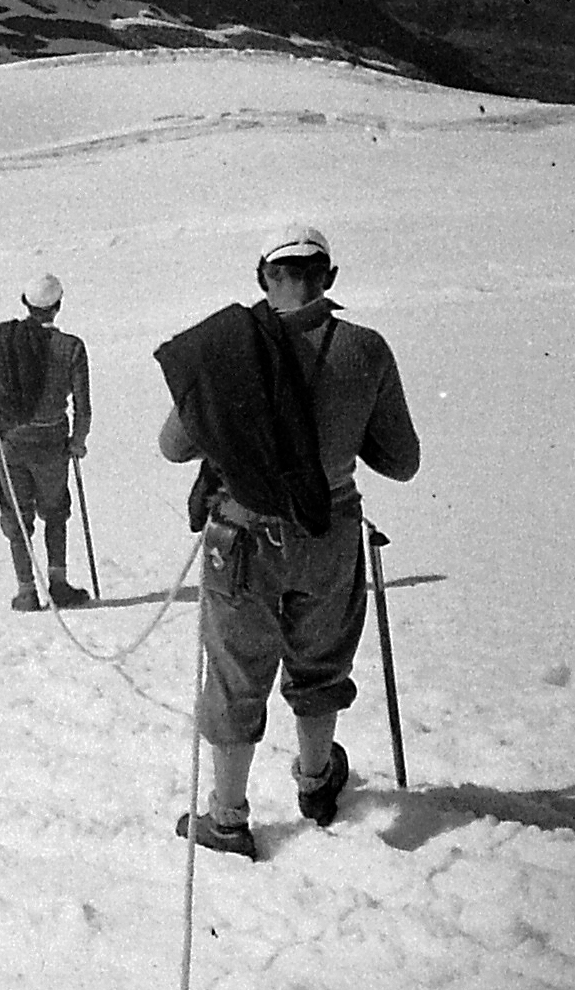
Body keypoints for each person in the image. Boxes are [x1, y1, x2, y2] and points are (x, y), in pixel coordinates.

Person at [154, 224, 421, 860]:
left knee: (235, 674)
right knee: (320, 660)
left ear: (262, 278)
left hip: (241, 539)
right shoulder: (365, 349)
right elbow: (402, 460)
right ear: (328, 276)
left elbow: (172, 446)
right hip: (329, 533)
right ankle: (315, 782)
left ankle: (227, 817)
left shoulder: (224, 352)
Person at [0, 273, 92, 612]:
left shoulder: (5, 345)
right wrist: (77, 442)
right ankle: (58, 583)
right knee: (56, 512)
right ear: (58, 305)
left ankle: (26, 591)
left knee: (15, 516)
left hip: (10, 445)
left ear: (25, 303)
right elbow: (83, 406)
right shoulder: (72, 348)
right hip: (53, 444)